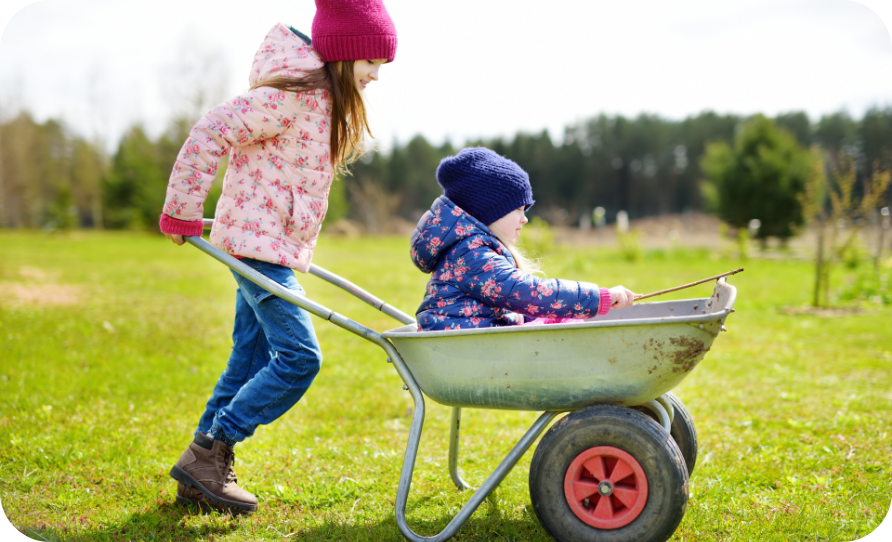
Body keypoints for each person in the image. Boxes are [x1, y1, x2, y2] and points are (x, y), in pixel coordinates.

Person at [158, 0, 397, 514]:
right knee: (299, 358)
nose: (377, 74)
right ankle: (215, 449)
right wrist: (181, 208)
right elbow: (212, 130)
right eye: (371, 62)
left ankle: (197, 474)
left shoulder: (324, 101)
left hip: (269, 247)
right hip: (256, 247)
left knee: (247, 360)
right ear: (343, 52)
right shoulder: (292, 97)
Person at [410, 147, 640, 331]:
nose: (525, 219)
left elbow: (510, 305)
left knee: (554, 321)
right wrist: (599, 298)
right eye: (519, 209)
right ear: (490, 211)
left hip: (478, 347)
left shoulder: (472, 249)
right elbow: (532, 293)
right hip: (469, 355)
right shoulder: (471, 255)